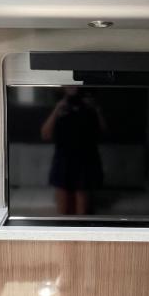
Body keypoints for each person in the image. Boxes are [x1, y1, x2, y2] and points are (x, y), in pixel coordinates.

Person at [40, 86, 105, 215]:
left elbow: (103, 134)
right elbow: (45, 134)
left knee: (82, 209)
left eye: (74, 85)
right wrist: (57, 109)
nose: (72, 87)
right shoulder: (57, 106)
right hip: (63, 161)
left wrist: (97, 110)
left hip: (85, 160)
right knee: (63, 210)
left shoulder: (90, 105)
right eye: (68, 85)